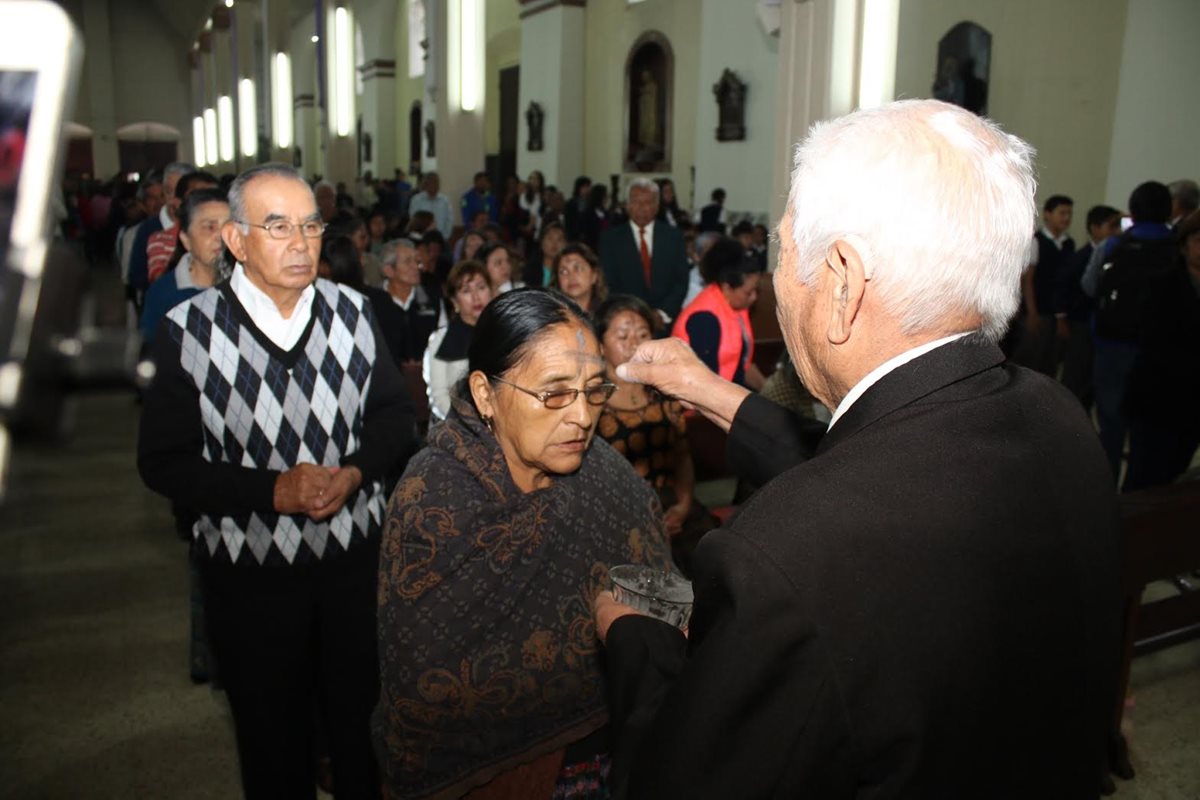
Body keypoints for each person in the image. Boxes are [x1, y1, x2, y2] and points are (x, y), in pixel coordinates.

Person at [593, 99, 1120, 798]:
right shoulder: (1057, 417)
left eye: (784, 252)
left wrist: (635, 639)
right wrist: (706, 388)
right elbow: (878, 465)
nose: (776, 284)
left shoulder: (783, 555)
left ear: (841, 281)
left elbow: (681, 776)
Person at [138, 163, 415, 799]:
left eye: (310, 225)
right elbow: (163, 462)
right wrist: (271, 492)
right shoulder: (189, 331)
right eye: (277, 226)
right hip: (249, 575)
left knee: (361, 729)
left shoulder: (354, 312)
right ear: (235, 241)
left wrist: (353, 473)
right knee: (272, 741)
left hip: (352, 562)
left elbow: (396, 418)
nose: (300, 242)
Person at [374, 289, 671, 799]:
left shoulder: (602, 470)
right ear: (486, 394)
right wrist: (606, 629)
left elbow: (667, 593)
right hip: (491, 776)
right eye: (554, 393)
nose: (581, 416)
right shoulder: (436, 500)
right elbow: (426, 687)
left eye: (593, 391)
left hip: (613, 746)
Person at [595, 295, 714, 575]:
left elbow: (682, 455)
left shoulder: (664, 391)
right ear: (600, 345)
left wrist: (683, 505)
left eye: (643, 334)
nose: (634, 343)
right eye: (622, 336)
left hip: (670, 504)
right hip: (617, 516)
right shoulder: (592, 402)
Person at [1081, 181, 1177, 479]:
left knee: (1111, 420)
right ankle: (1139, 489)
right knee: (1148, 425)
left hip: (1112, 345)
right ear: (1168, 211)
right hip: (1160, 350)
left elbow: (1089, 286)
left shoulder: (1114, 245)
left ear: (1133, 212)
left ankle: (1106, 484)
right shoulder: (1178, 247)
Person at [1122, 208, 1200, 490]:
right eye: (1198, 241)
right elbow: (1152, 340)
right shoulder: (1163, 283)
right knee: (1145, 475)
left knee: (1175, 473)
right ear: (1184, 245)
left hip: (1192, 404)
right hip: (1158, 397)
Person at [671, 236, 765, 389]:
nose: (754, 298)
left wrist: (769, 393)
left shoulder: (735, 306)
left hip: (727, 391)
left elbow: (742, 364)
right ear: (727, 287)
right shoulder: (705, 318)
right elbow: (705, 384)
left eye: (756, 290)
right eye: (748, 293)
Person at [139, 188, 228, 347]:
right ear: (185, 239)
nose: (222, 237)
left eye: (229, 227)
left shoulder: (250, 285)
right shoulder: (163, 294)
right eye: (210, 227)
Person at [1055, 204, 1121, 405]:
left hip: (1099, 325)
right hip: (1080, 322)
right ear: (1094, 228)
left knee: (1091, 377)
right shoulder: (1081, 257)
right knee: (1075, 372)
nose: (1116, 232)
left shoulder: (1117, 256)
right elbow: (1063, 290)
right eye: (1111, 226)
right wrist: (1062, 319)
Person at [599, 178, 691, 322]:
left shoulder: (673, 236)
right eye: (636, 202)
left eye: (647, 202)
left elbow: (681, 281)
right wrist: (636, 315)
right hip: (626, 320)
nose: (641, 207)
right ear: (627, 205)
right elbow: (608, 283)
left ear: (656, 206)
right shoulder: (610, 239)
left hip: (666, 321)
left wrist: (662, 313)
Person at [422, 259, 495, 420]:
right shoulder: (440, 339)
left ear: (491, 291)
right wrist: (466, 426)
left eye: (481, 288)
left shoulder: (504, 332)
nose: (476, 297)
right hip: (456, 426)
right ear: (454, 301)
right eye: (466, 291)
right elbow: (438, 396)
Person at [1014, 194, 1075, 375]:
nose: (1066, 218)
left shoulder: (1068, 243)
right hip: (1037, 310)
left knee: (1051, 361)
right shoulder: (1036, 241)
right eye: (1062, 213)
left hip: (1057, 311)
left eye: (1069, 214)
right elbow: (1028, 280)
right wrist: (1032, 312)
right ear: (1047, 214)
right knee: (1029, 359)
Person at [364, 238, 441, 367]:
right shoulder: (372, 302)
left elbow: (442, 337)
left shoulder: (432, 298)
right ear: (389, 270)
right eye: (407, 262)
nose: (416, 267)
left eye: (417, 261)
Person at [552, 242, 607, 315]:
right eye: (563, 271)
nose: (571, 276)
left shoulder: (607, 317)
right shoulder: (552, 317)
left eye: (578, 268)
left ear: (594, 275)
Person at [408, 172, 454, 238]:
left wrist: (444, 238)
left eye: (436, 182)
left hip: (440, 239)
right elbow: (413, 220)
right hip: (420, 239)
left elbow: (449, 221)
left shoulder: (445, 201)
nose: (434, 185)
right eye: (431, 182)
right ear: (425, 184)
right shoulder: (416, 200)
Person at [526, 221, 565, 287]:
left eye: (559, 239)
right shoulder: (530, 270)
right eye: (550, 238)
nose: (554, 243)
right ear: (541, 242)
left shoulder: (566, 271)